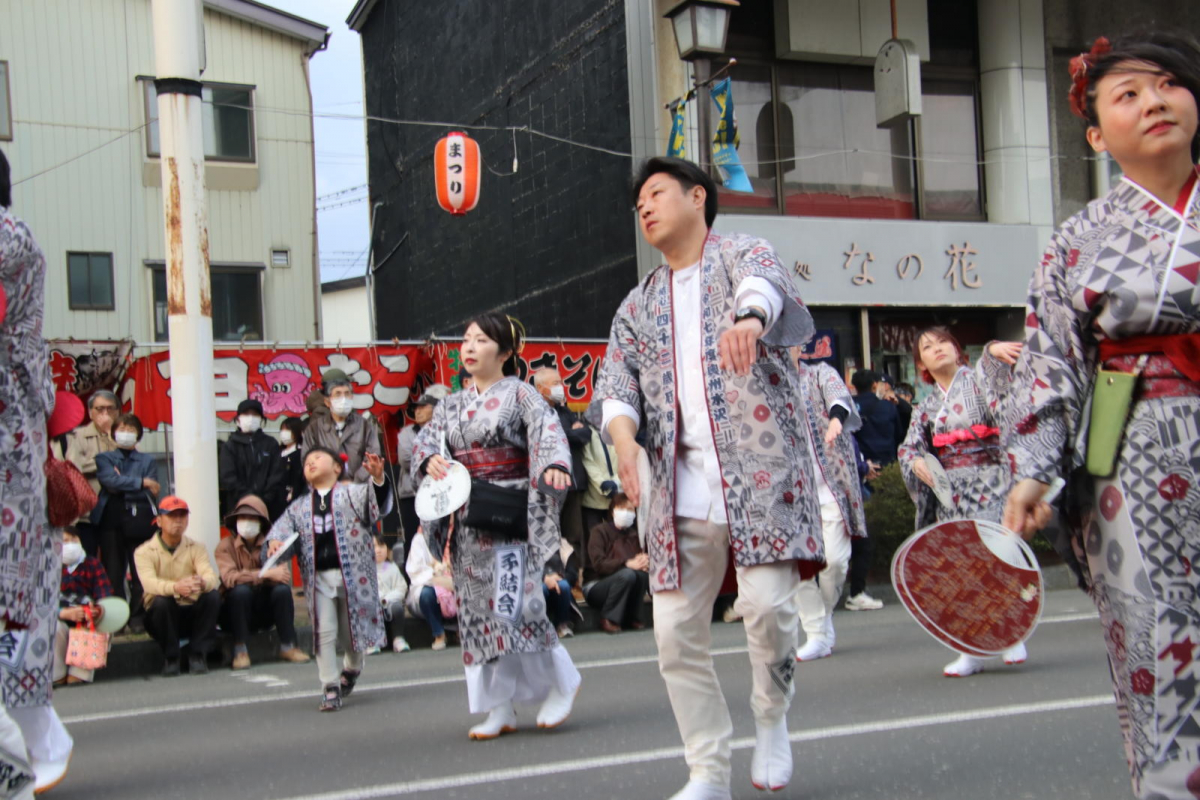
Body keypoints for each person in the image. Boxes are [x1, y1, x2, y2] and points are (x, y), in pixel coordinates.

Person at [1002, 32, 1200, 799]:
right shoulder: (1075, 243)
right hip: (1131, 445)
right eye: (1128, 95)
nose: (1153, 102)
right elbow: (1052, 363)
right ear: (1095, 134)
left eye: (1168, 85)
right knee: (1154, 639)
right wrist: (1032, 468)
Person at [589, 156, 823, 799]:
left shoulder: (742, 252)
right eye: (638, 202)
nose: (645, 207)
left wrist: (749, 318)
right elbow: (616, 383)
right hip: (678, 490)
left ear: (698, 197)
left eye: (656, 193)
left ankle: (771, 719)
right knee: (673, 635)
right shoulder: (639, 302)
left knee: (772, 611)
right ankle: (707, 770)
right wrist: (625, 440)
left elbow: (767, 286)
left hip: (761, 476)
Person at [414, 313, 581, 740]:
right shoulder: (450, 403)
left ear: (505, 352)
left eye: (481, 340)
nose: (469, 347)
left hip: (509, 514)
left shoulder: (523, 395)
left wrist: (556, 466)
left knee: (520, 605)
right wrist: (428, 460)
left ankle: (563, 683)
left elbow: (548, 435)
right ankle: (499, 706)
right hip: (469, 522)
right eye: (466, 339)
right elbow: (427, 442)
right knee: (477, 618)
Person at [0, 147, 73, 796]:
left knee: (15, 604)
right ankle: (37, 745)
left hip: (11, 457)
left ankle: (25, 757)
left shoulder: (10, 239)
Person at [897, 327, 1024, 677]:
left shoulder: (980, 381)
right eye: (927, 346)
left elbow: (1001, 386)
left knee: (994, 557)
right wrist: (917, 462)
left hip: (991, 482)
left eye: (943, 342)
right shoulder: (926, 406)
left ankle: (1011, 632)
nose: (937, 349)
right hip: (949, 491)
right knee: (959, 569)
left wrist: (992, 350)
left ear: (957, 349)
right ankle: (969, 649)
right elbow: (908, 447)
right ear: (920, 363)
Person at [265, 447, 391, 712]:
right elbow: (281, 531)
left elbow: (377, 505)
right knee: (324, 632)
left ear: (337, 467)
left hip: (354, 577)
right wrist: (275, 542)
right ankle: (330, 686)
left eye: (317, 459)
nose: (310, 463)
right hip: (317, 577)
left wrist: (378, 480)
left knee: (350, 634)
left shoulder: (353, 493)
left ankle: (353, 667)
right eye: (307, 462)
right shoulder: (298, 506)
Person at [791, 356, 869, 662]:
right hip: (789, 492)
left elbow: (838, 397)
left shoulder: (820, 373)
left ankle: (822, 621)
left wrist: (836, 418)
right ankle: (816, 633)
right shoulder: (764, 383)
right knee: (798, 567)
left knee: (835, 561)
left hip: (831, 484)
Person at [215, 494, 309, 670]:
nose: (246, 522)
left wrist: (272, 570)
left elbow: (282, 576)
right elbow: (230, 578)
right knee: (240, 591)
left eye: (252, 518)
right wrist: (264, 575)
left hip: (263, 610)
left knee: (281, 591)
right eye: (243, 517)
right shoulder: (225, 546)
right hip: (235, 612)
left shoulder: (271, 545)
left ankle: (289, 645)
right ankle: (240, 650)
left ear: (261, 522)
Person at [134, 496, 221, 677]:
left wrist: (202, 583)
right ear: (159, 521)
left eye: (182, 516)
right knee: (160, 602)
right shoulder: (143, 551)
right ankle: (171, 657)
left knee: (212, 595)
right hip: (162, 616)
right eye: (172, 516)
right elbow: (149, 583)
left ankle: (198, 655)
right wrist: (176, 587)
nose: (178, 521)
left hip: (190, 609)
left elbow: (211, 576)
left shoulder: (197, 547)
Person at [93, 412, 160, 629]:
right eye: (122, 429)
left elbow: (153, 487)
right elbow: (110, 482)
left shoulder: (148, 460)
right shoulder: (105, 458)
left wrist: (125, 481)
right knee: (113, 572)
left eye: (131, 430)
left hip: (139, 518)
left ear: (139, 435)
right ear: (113, 434)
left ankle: (137, 616)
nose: (126, 434)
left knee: (141, 570)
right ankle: (118, 618)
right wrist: (142, 482)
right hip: (111, 520)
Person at [54, 528, 114, 686]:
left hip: (87, 618)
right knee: (53, 626)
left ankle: (79, 673)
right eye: (65, 541)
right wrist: (64, 613)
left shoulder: (92, 564)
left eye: (74, 540)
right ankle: (57, 674)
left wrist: (97, 610)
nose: (70, 545)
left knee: (102, 625)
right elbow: (40, 602)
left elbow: (105, 595)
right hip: (63, 616)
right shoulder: (48, 567)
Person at [583, 493, 650, 634]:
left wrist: (643, 562)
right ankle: (608, 618)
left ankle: (633, 617)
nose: (627, 513)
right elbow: (599, 564)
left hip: (624, 581)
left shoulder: (633, 535)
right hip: (595, 585)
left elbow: (637, 562)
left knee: (641, 575)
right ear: (613, 510)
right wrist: (626, 563)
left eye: (631, 510)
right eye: (622, 508)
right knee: (627, 574)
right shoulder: (599, 532)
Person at [64, 390, 119, 557]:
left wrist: (111, 437)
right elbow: (73, 467)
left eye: (110, 409)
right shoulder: (78, 435)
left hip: (115, 512)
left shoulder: (122, 435)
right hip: (88, 512)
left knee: (114, 562)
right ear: (90, 412)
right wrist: (102, 466)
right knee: (88, 558)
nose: (105, 414)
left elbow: (131, 462)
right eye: (100, 409)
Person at [396, 386, 449, 554]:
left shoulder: (447, 431)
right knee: (413, 540)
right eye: (415, 408)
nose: (417, 411)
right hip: (411, 494)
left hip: (442, 491)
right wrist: (430, 461)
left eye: (422, 407)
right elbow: (405, 460)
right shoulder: (406, 433)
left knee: (441, 538)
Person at [302, 375, 383, 483]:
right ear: (327, 402)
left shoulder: (365, 426)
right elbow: (308, 460)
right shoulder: (314, 429)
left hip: (359, 490)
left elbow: (373, 457)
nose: (343, 399)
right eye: (338, 394)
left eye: (347, 394)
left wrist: (355, 482)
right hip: (326, 489)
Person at [219, 398, 285, 520]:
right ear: (238, 419)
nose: (250, 417)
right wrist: (249, 497)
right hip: (238, 507)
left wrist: (265, 498)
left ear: (261, 418)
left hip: (270, 508)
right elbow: (228, 478)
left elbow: (277, 474)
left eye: (255, 414)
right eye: (246, 414)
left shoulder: (271, 444)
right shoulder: (229, 446)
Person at [404, 525, 452, 651]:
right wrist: (439, 575)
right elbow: (415, 570)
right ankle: (439, 634)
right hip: (431, 582)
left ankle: (461, 631)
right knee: (427, 595)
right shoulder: (420, 538)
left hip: (454, 581)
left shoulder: (456, 534)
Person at [850, 369, 902, 466]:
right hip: (887, 463)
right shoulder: (888, 406)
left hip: (862, 465)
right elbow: (898, 435)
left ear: (855, 386)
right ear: (874, 384)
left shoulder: (849, 407)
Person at [580, 426, 620, 540]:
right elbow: (587, 461)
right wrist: (602, 484)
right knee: (596, 540)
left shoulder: (616, 428)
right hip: (593, 500)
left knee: (618, 540)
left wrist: (616, 483)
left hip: (617, 498)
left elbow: (624, 458)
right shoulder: (587, 432)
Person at [373, 534, 410, 654]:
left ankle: (398, 639)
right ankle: (372, 641)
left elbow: (401, 588)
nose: (378, 550)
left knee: (397, 608)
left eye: (381, 546)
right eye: (374, 546)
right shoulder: (364, 570)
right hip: (373, 605)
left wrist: (386, 599)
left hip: (388, 603)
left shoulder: (392, 567)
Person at [543, 538, 580, 639]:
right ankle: (539, 626)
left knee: (564, 585)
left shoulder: (563, 544)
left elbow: (572, 575)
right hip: (536, 583)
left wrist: (557, 579)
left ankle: (562, 624)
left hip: (558, 583)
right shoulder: (527, 543)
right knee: (542, 589)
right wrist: (544, 578)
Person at [279, 416, 308, 509]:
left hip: (291, 497)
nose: (284, 433)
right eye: (282, 429)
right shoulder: (278, 451)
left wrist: (293, 492)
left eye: (287, 429)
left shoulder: (300, 453)